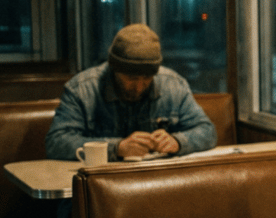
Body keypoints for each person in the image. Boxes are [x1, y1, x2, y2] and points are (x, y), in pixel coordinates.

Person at [45, 23, 217, 162]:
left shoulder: (173, 85)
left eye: (147, 78)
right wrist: (117, 147)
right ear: (114, 69)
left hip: (156, 183)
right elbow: (56, 142)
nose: (139, 86)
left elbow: (207, 131)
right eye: (131, 78)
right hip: (98, 185)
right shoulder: (82, 89)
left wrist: (177, 142)